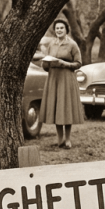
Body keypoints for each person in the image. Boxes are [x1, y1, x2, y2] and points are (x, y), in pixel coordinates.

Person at [39, 19, 84, 149]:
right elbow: (47, 65)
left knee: (66, 108)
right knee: (56, 108)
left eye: (61, 28)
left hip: (67, 79)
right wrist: (45, 63)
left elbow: (78, 63)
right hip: (54, 79)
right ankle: (59, 139)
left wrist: (64, 64)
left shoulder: (72, 44)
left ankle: (68, 139)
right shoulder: (51, 44)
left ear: (66, 30)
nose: (59, 30)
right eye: (57, 28)